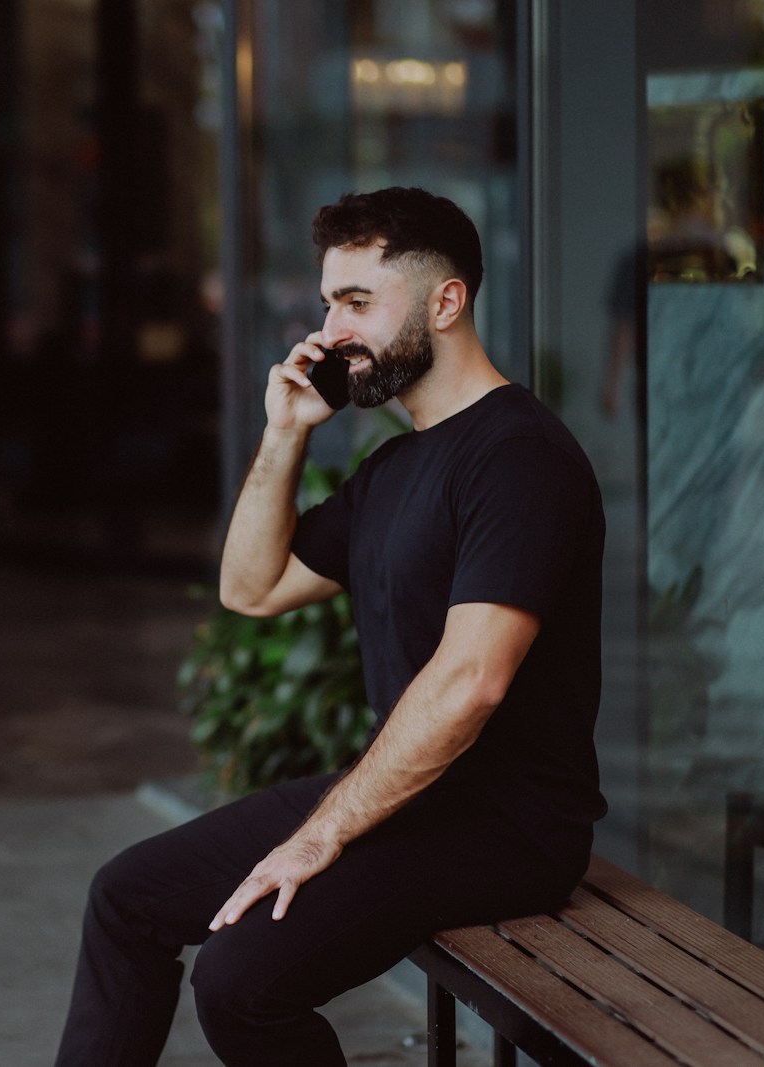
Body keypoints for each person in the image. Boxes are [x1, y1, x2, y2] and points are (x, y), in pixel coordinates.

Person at [54, 187, 607, 1067]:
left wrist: (321, 832)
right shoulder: (396, 466)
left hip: (507, 826)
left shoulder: (519, 456)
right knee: (128, 896)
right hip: (416, 798)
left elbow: (472, 681)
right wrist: (285, 434)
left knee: (240, 983)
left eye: (356, 302)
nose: (329, 329)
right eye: (327, 303)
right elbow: (252, 588)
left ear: (445, 302)